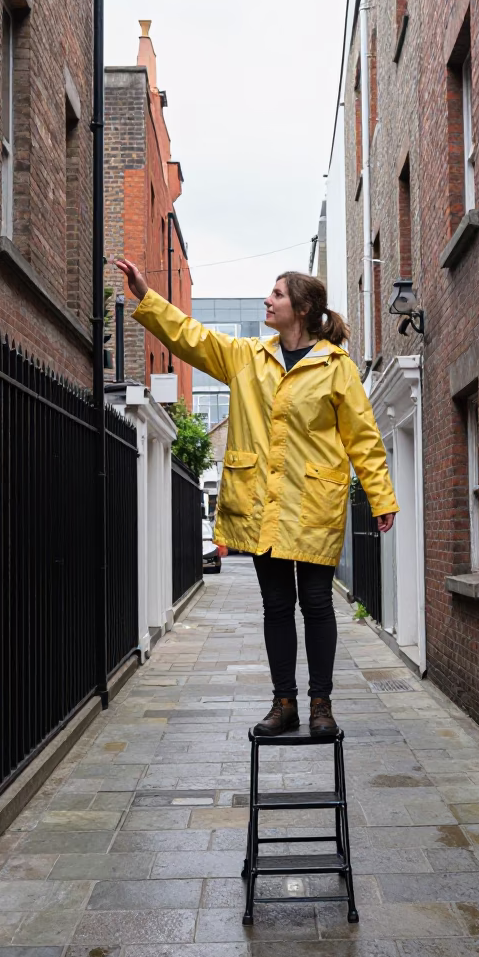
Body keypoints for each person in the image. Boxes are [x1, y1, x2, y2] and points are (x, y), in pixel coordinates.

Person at [115, 259, 397, 737]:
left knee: (317, 603)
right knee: (276, 604)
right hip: (262, 504)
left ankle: (321, 705)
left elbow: (363, 437)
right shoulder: (247, 356)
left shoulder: (337, 367)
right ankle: (284, 703)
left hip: (313, 504)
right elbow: (191, 337)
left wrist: (381, 495)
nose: (268, 300)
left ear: (301, 309)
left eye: (277, 294)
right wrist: (147, 296)